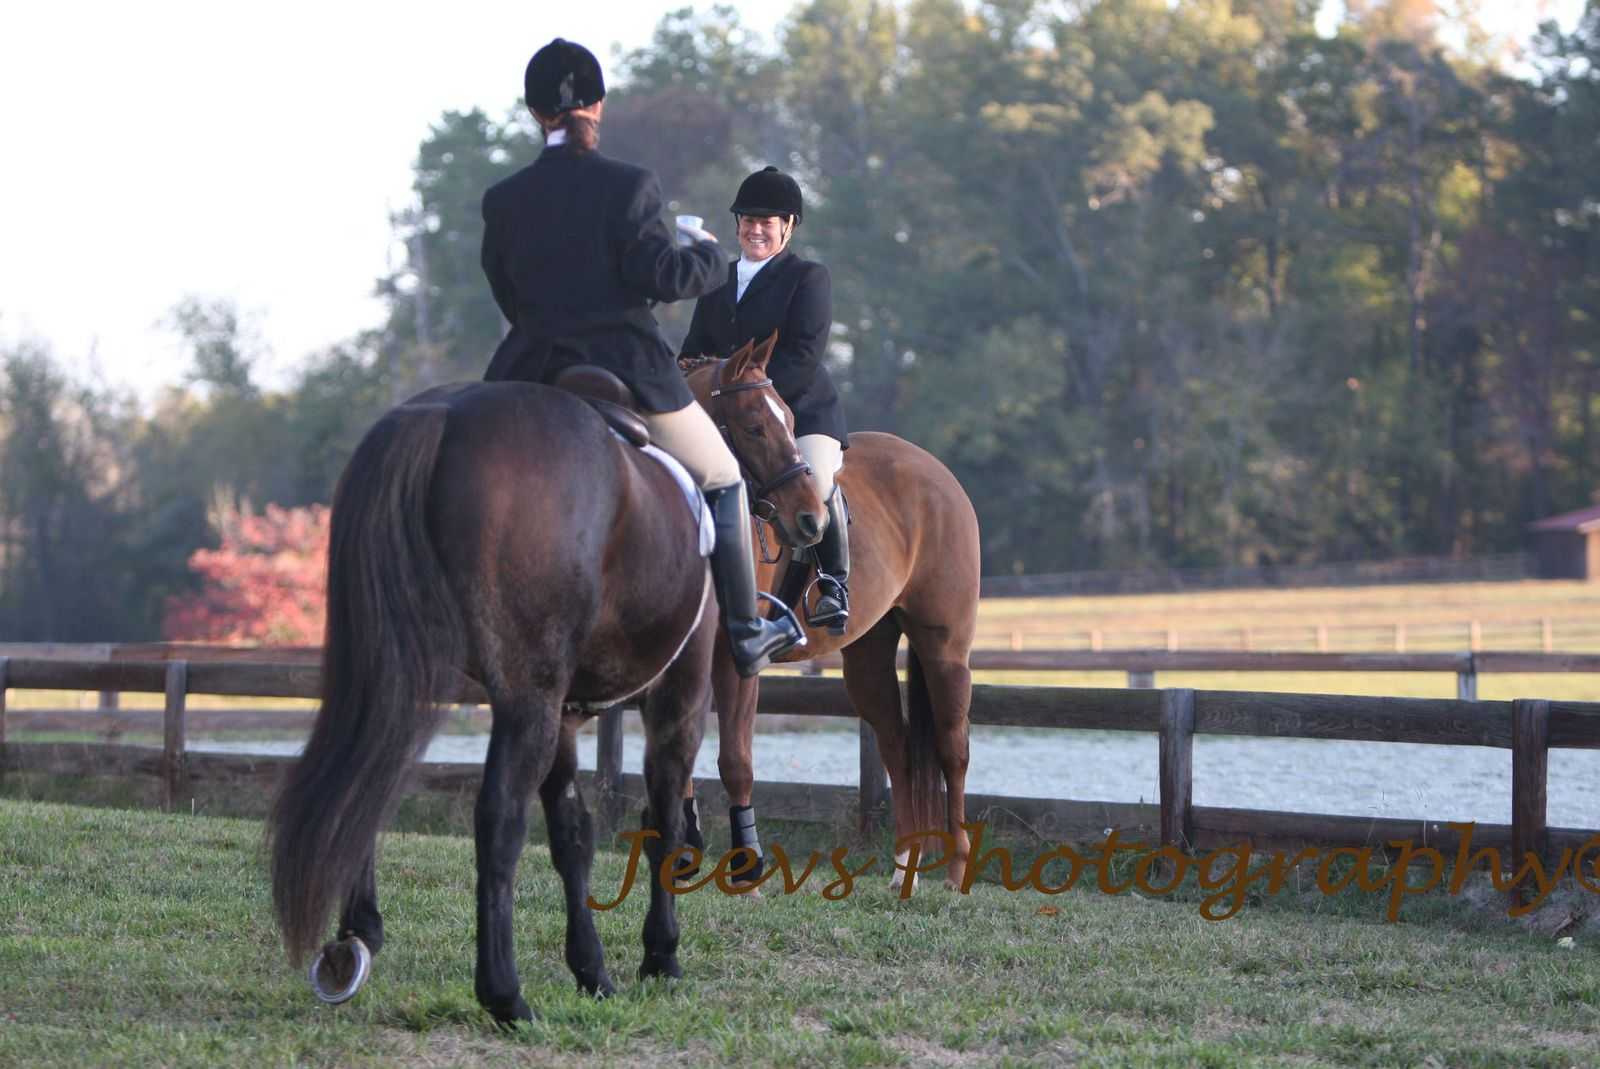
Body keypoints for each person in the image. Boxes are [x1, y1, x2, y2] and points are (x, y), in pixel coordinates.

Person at [479, 38, 804, 677]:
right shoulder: (629, 184)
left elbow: (507, 291)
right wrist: (708, 252)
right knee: (723, 476)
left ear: (534, 111)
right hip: (626, 365)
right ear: (596, 105)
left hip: (530, 368)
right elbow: (662, 277)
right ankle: (746, 632)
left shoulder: (505, 198)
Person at [679, 166, 851, 634]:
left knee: (812, 475)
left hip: (798, 408)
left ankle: (833, 584)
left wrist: (747, 398)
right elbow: (693, 351)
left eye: (768, 221)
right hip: (728, 417)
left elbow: (804, 356)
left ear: (788, 226)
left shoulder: (808, 278)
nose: (756, 229)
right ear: (737, 225)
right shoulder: (717, 279)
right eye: (749, 220)